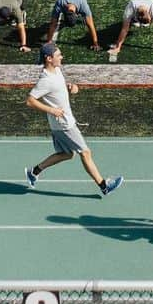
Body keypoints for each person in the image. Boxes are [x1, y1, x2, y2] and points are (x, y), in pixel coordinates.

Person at [24, 42, 123, 196]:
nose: (61, 57)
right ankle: (104, 186)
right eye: (58, 55)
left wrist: (71, 88)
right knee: (85, 152)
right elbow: (30, 101)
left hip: (62, 123)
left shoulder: (56, 70)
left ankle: (34, 171)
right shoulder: (45, 79)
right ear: (49, 58)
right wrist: (51, 110)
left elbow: (57, 91)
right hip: (64, 125)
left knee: (67, 154)